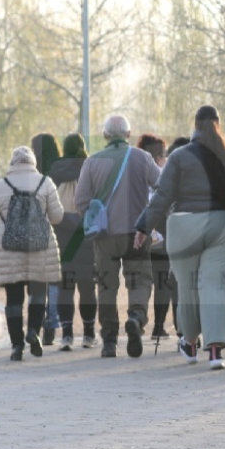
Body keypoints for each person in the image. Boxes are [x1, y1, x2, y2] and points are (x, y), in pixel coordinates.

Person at [136, 106, 225, 369]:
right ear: (219, 124)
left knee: (188, 287)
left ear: (194, 125)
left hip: (185, 224)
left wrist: (143, 227)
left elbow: (162, 196)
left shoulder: (179, 157)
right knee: (216, 286)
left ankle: (189, 342)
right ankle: (216, 352)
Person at [74, 115, 160, 358]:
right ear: (128, 134)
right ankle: (136, 318)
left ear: (105, 136)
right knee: (140, 280)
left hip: (105, 236)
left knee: (106, 286)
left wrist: (93, 218)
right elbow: (163, 186)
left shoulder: (92, 162)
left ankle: (109, 340)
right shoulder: (143, 158)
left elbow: (80, 200)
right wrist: (151, 218)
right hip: (137, 234)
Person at [0, 146, 65, 361]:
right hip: (40, 248)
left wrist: (7, 230)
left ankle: (16, 346)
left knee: (13, 299)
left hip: (9, 250)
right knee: (38, 293)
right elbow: (57, 217)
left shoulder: (0, 186)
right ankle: (33, 331)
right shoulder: (45, 182)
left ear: (13, 163)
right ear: (32, 163)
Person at [48, 133, 99, 351]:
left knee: (65, 287)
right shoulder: (91, 168)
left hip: (62, 235)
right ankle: (88, 334)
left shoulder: (53, 171)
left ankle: (67, 335)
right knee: (88, 287)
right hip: (86, 235)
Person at [137, 133, 174, 340]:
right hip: (161, 235)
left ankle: (139, 319)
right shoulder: (162, 178)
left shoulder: (135, 175)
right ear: (159, 157)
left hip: (139, 233)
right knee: (162, 282)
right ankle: (158, 326)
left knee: (141, 282)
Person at [32, 133, 62, 346]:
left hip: (36, 232)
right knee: (54, 281)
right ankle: (51, 326)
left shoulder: (33, 174)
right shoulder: (60, 172)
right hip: (60, 231)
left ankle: (37, 323)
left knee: (37, 283)